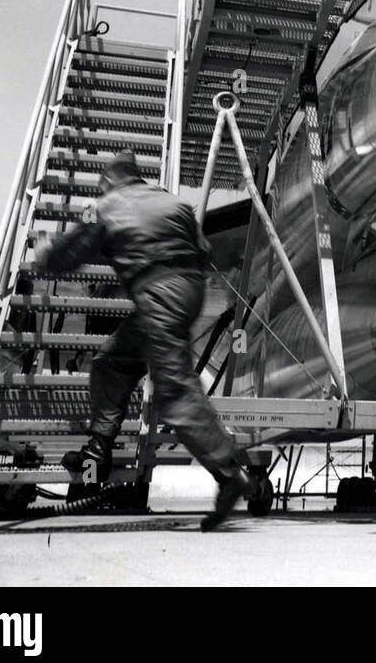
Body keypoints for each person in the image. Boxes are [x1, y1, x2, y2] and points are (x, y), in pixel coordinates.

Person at [34, 150, 255, 531]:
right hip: (190, 291)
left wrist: (44, 252)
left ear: (108, 181)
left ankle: (228, 472)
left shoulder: (106, 205)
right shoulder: (173, 202)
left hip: (158, 295)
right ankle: (98, 449)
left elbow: (67, 256)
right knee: (112, 361)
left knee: (175, 391)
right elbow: (204, 250)